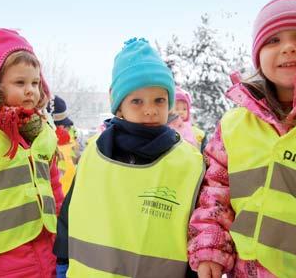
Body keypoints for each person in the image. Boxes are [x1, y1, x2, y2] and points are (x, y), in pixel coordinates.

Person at [188, 0, 296, 278]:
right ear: (258, 54)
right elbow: (215, 195)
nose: (289, 48)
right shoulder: (235, 125)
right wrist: (211, 248)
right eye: (273, 40)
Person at [53, 37, 205, 278]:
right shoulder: (95, 152)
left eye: (159, 100)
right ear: (119, 106)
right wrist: (62, 260)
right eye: (137, 101)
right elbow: (71, 211)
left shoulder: (189, 162)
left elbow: (198, 230)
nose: (150, 109)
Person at [0, 28, 64, 277]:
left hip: (46, 254)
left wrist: (63, 233)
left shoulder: (42, 131)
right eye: (20, 83)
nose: (30, 90)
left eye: (35, 83)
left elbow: (54, 187)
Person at [47, 95, 80, 195]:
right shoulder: (43, 145)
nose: (62, 127)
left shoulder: (73, 139)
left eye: (64, 124)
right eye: (57, 125)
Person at [168, 86, 206, 150]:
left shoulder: (194, 131)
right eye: (177, 109)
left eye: (184, 109)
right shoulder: (167, 128)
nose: (181, 112)